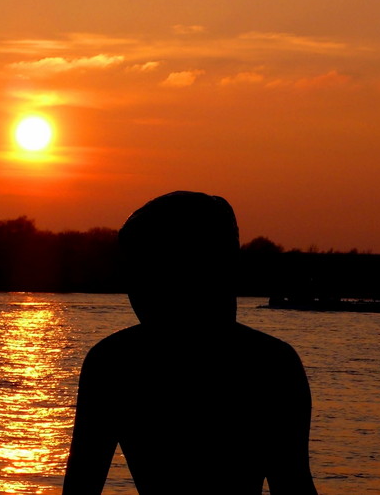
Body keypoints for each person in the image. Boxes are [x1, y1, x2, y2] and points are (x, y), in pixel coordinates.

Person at [62, 192, 318, 494]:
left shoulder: (114, 362)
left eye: (146, 271)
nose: (134, 289)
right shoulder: (272, 363)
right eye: (133, 273)